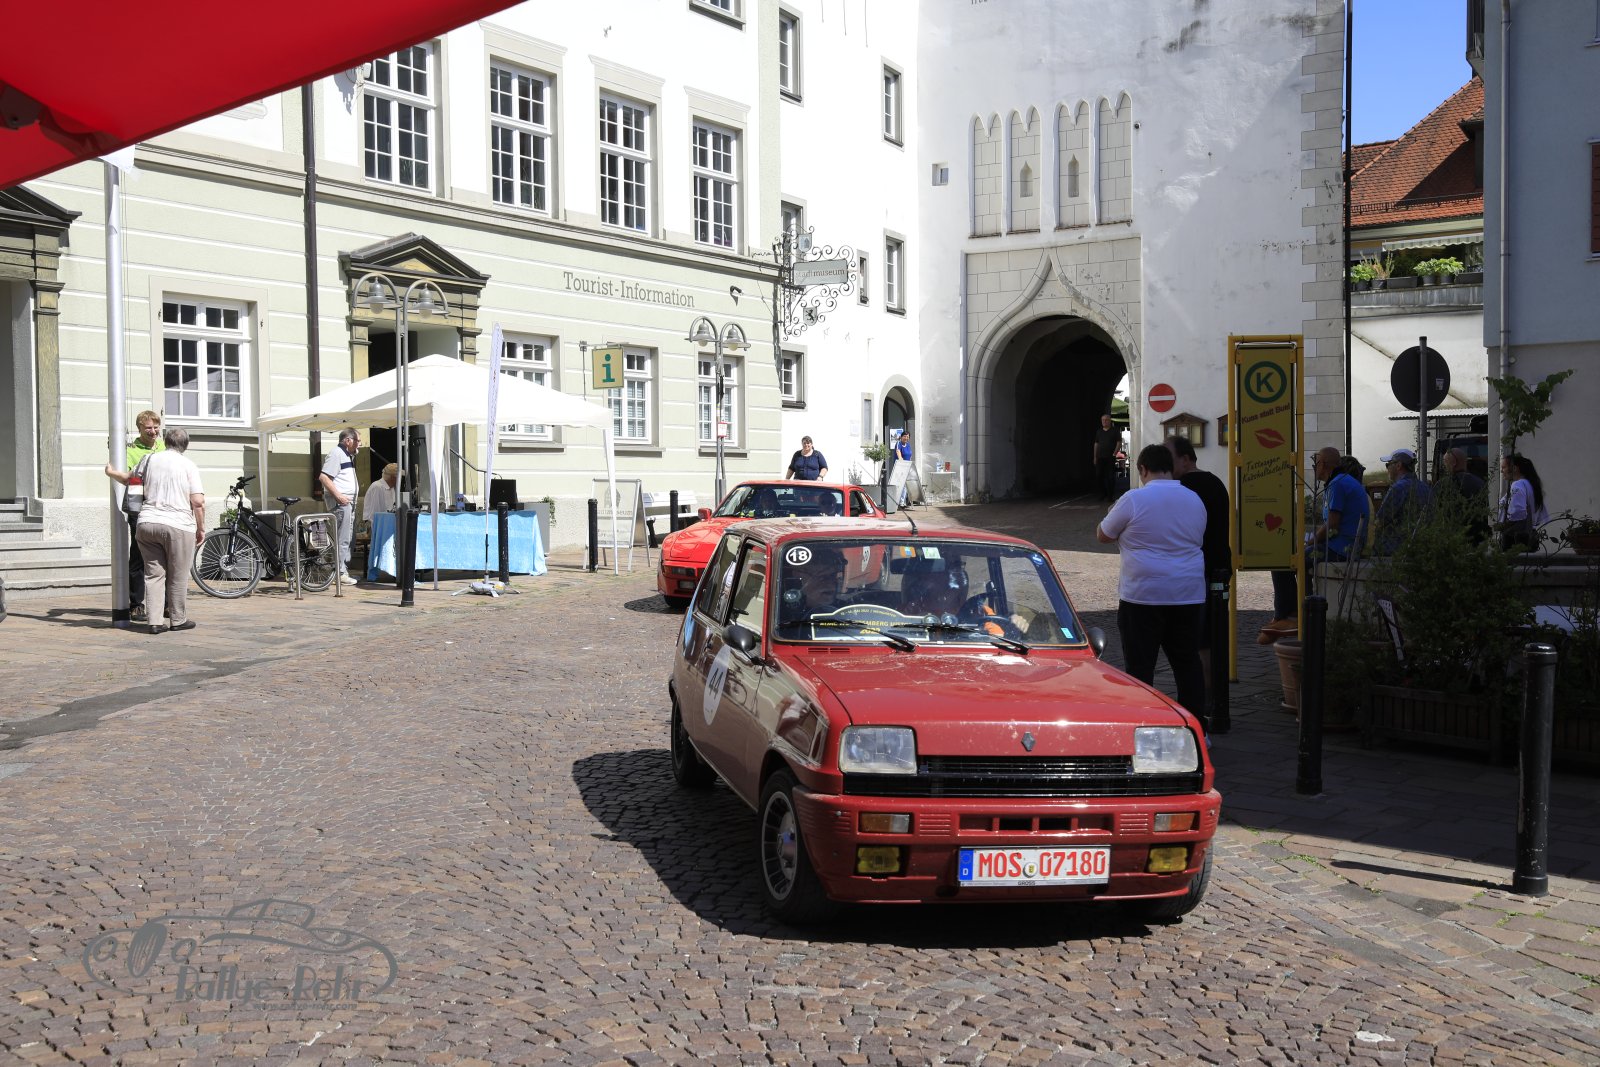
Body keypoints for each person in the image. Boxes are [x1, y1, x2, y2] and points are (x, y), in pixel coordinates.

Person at [1096, 444, 1207, 716]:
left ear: (1143, 469)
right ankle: (1196, 724)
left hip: (1143, 595)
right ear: (1170, 468)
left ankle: (1144, 720)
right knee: (1187, 662)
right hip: (1187, 593)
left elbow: (1103, 534)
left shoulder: (1133, 499)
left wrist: (1112, 513)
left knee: (1140, 667)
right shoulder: (1194, 499)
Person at [1264, 446, 1370, 644]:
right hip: (1344, 545)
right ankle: (1297, 611)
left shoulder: (1338, 485)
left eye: (1316, 464)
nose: (1314, 468)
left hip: (1341, 549)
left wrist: (1311, 542)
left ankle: (1288, 615)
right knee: (1301, 557)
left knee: (1285, 560)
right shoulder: (1343, 481)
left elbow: (1332, 524)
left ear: (1323, 464)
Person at [1166, 436, 1230, 699]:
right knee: (1212, 635)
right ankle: (1216, 695)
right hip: (1219, 565)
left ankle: (1204, 697)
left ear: (1185, 459)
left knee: (1196, 639)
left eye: (1169, 458)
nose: (1166, 465)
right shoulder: (1215, 481)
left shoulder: (1184, 487)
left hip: (1196, 570)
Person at [129, 426, 204, 635]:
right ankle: (178, 619)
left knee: (153, 575)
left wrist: (110, 472)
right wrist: (201, 528)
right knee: (177, 575)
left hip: (147, 523)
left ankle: (154, 622)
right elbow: (198, 501)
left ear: (166, 441)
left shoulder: (148, 459)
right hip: (178, 524)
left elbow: (130, 478)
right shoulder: (188, 465)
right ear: (185, 445)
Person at [104, 410, 165, 622]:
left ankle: (165, 604)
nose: (153, 431)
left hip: (163, 506)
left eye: (156, 427)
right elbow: (130, 478)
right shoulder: (130, 451)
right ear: (139, 428)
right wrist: (113, 473)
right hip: (140, 507)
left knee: (165, 556)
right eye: (148, 428)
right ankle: (136, 604)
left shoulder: (164, 447)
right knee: (138, 555)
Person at [318, 427, 362, 585]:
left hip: (347, 502)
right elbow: (324, 477)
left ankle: (342, 570)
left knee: (348, 538)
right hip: (341, 502)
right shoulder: (337, 453)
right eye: (358, 441)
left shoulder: (347, 455)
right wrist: (338, 496)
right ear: (348, 440)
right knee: (343, 538)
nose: (360, 444)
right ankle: (339, 573)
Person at [1371, 448, 1433, 555]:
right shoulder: (1425, 488)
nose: (1387, 469)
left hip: (1395, 550)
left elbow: (1381, 520)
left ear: (1398, 465)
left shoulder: (1398, 488)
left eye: (1388, 464)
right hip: (1421, 548)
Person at [1499, 453, 1548, 552]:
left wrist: (1502, 526)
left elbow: (1517, 513)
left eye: (1504, 467)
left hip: (1514, 539)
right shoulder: (1530, 484)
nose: (1501, 471)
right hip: (1529, 536)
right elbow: (1537, 516)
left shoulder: (1518, 485)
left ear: (1514, 468)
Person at [362, 462, 399, 530]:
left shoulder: (392, 488)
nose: (400, 479)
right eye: (399, 477)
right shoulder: (377, 487)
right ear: (393, 478)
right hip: (378, 526)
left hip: (386, 523)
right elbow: (375, 513)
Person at [1093, 414, 1119, 502]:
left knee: (1110, 477)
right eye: (1103, 420)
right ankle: (1103, 493)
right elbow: (1096, 444)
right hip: (1100, 457)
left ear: (1110, 421)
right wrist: (1095, 457)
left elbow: (1119, 442)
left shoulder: (1115, 431)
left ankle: (1110, 496)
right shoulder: (1099, 431)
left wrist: (1115, 453)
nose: (1104, 421)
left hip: (1110, 457)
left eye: (1106, 420)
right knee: (1098, 476)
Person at [892, 431, 915, 507]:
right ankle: (898, 501)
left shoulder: (908, 445)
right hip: (900, 467)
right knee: (899, 484)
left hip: (907, 467)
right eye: (904, 436)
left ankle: (903, 501)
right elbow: (898, 452)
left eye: (907, 437)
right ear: (901, 437)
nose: (906, 438)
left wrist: (910, 464)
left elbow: (909, 455)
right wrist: (901, 460)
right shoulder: (899, 443)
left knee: (905, 485)